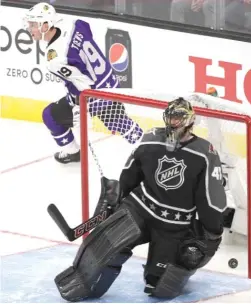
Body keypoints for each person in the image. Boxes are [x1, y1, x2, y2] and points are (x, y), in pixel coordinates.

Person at [53, 97, 227, 301]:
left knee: (160, 287)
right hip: (139, 209)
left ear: (190, 120)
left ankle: (164, 271)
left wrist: (211, 231)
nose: (174, 123)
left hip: (173, 224)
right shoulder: (152, 139)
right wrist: (117, 199)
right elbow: (130, 175)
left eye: (179, 118)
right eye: (172, 117)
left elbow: (210, 199)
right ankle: (88, 278)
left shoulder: (204, 154)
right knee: (105, 251)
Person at [23, 2, 143, 164]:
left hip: (92, 95)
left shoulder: (55, 59)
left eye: (33, 25)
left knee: (49, 115)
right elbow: (87, 32)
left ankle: (73, 152)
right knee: (119, 122)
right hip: (109, 81)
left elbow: (83, 82)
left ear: (45, 26)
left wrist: (80, 108)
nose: (29, 28)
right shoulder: (74, 24)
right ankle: (148, 148)